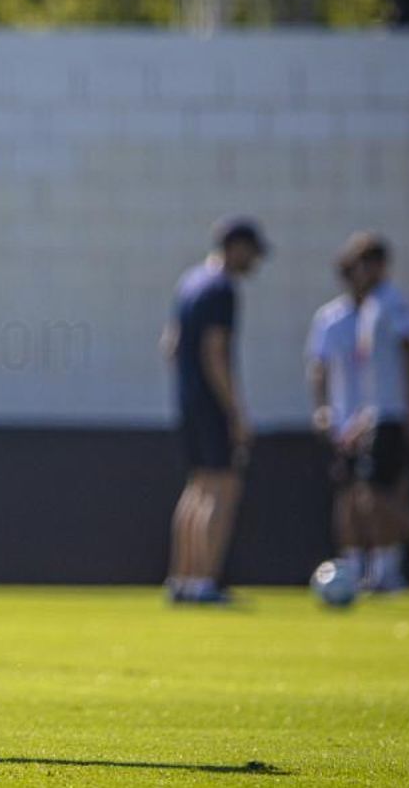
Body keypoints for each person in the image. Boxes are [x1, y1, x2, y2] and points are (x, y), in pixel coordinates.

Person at [162, 217, 266, 604]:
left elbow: (170, 346)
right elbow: (214, 351)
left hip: (189, 403)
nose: (254, 262)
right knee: (223, 489)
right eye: (252, 252)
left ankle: (182, 580)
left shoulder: (189, 283)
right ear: (236, 246)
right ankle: (205, 582)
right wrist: (236, 411)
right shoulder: (221, 288)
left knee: (197, 488)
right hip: (211, 404)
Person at [345, 233, 409, 592]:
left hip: (394, 414)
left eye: (367, 264)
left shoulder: (391, 302)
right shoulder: (372, 305)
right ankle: (385, 572)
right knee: (380, 494)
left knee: (373, 491)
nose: (361, 272)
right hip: (379, 414)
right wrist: (364, 416)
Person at [306, 259, 368, 582]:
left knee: (383, 494)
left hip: (381, 419)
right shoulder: (332, 319)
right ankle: (353, 567)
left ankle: (386, 568)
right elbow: (319, 367)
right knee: (348, 495)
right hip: (345, 423)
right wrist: (323, 409)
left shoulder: (387, 311)